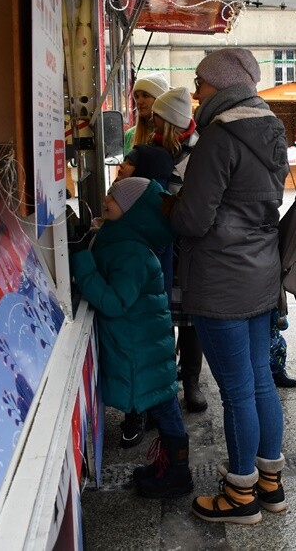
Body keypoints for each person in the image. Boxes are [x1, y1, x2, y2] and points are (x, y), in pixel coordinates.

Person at [166, 47, 289, 524]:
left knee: (238, 391)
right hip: (260, 273)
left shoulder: (221, 137)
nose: (195, 94)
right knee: (260, 382)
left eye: (200, 83)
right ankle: (269, 485)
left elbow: (194, 220)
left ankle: (240, 495)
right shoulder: (270, 129)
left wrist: (169, 207)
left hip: (221, 280)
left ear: (222, 84)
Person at [70, 177, 193, 500]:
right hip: (144, 346)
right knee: (164, 407)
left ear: (134, 211)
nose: (107, 197)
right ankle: (169, 465)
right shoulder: (124, 241)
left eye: (115, 196)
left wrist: (81, 260)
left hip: (141, 351)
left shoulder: (133, 253)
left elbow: (113, 302)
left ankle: (178, 472)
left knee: (166, 408)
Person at [112, 144, 179, 447]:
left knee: (146, 374)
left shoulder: (138, 241)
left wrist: (85, 267)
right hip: (152, 314)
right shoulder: (148, 217)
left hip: (142, 319)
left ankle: (170, 456)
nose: (122, 166)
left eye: (128, 162)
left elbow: (116, 300)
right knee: (156, 379)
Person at [150, 87, 209, 412]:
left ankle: (192, 384)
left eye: (159, 118)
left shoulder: (198, 152)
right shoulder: (153, 150)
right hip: (160, 246)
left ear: (170, 121)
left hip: (188, 248)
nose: (154, 123)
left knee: (188, 321)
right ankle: (165, 382)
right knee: (162, 318)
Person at [124, 72, 169, 154]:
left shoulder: (169, 135)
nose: (139, 101)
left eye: (145, 96)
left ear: (159, 100)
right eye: (137, 97)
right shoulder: (130, 135)